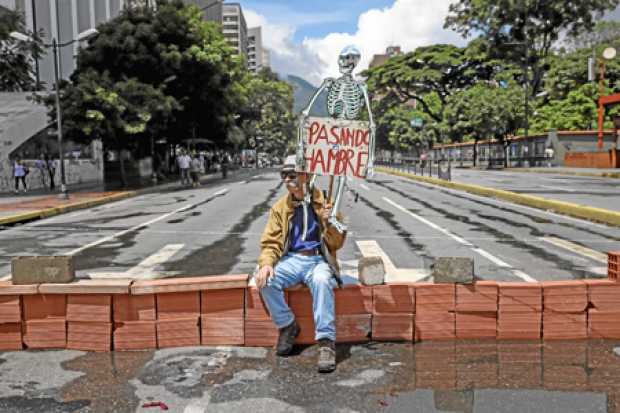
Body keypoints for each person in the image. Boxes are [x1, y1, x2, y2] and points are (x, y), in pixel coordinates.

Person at [256, 155, 346, 373]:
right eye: (284, 175)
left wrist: (328, 221)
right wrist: (267, 263)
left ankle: (326, 343)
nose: (288, 180)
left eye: (292, 175)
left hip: (318, 259)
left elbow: (338, 242)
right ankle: (287, 326)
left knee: (322, 280)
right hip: (293, 260)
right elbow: (271, 242)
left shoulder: (325, 201)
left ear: (306, 176)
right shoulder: (280, 208)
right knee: (266, 280)